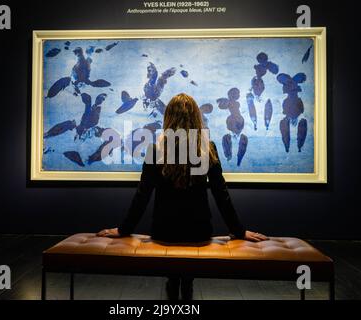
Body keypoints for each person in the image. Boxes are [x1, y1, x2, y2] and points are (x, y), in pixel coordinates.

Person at [97, 93, 268, 300]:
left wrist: (123, 230)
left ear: (168, 118)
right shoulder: (208, 149)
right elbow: (221, 194)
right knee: (186, 277)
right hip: (199, 231)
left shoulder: (156, 150)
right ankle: (187, 287)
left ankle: (174, 285)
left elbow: (142, 196)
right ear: (196, 118)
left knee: (174, 276)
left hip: (163, 230)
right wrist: (238, 231)